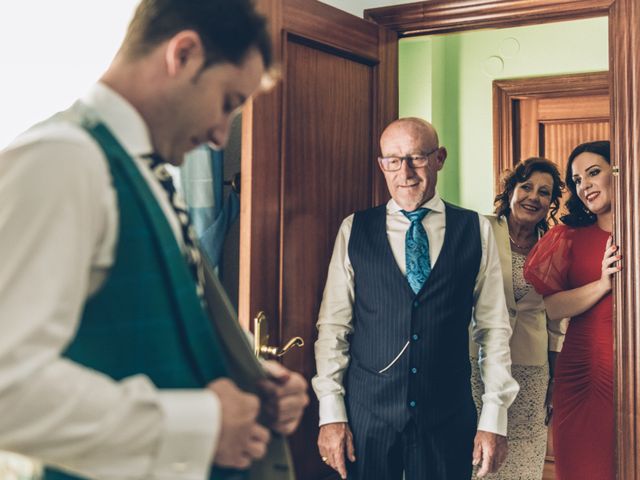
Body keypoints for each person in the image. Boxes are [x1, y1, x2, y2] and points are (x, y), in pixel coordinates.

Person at [0, 1, 309, 479]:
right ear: (182, 54)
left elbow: (155, 324)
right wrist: (200, 424)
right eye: (227, 103)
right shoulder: (61, 161)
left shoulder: (149, 177)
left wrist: (254, 382)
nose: (218, 135)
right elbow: (7, 387)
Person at [312, 117, 519, 480]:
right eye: (393, 160)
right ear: (382, 165)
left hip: (447, 414)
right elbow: (333, 327)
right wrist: (331, 414)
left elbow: (494, 329)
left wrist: (493, 418)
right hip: (366, 416)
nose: (404, 171)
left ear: (439, 158)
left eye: (417, 158)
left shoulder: (476, 229)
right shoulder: (354, 229)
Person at [524, 141, 618, 479]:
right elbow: (550, 307)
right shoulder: (569, 237)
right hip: (580, 372)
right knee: (581, 468)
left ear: (618, 171)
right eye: (577, 180)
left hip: (629, 372)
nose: (585, 186)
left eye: (593, 173)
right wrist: (603, 284)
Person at [470, 157, 566, 479]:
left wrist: (554, 379)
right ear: (510, 190)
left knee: (524, 457)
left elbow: (557, 323)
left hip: (531, 368)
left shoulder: (555, 245)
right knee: (478, 456)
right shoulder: (480, 230)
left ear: (551, 203)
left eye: (544, 192)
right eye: (526, 186)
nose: (533, 197)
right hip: (477, 362)